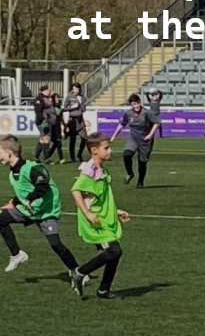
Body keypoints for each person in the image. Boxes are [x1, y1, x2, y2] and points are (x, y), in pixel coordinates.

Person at [0, 135, 79, 274]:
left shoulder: (32, 168)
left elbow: (42, 186)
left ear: (9, 152)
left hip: (46, 212)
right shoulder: (12, 173)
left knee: (55, 244)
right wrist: (13, 203)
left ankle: (76, 270)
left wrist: (29, 200)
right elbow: (24, 193)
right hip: (28, 210)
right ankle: (17, 255)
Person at [70, 133, 130, 299]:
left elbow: (101, 198)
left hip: (104, 218)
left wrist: (115, 211)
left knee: (114, 253)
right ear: (94, 150)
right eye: (106, 148)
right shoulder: (89, 172)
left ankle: (104, 289)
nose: (110, 151)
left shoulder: (101, 170)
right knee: (114, 251)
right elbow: (75, 191)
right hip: (95, 222)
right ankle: (80, 272)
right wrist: (87, 213)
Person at [111, 94, 160, 189]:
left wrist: (150, 135)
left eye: (137, 103)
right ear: (131, 105)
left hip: (145, 140)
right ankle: (130, 173)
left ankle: (140, 181)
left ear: (140, 103)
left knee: (142, 162)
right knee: (127, 154)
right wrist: (114, 135)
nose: (136, 106)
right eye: (134, 104)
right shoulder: (128, 113)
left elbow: (156, 123)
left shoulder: (146, 112)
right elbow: (122, 124)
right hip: (133, 137)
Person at [64, 83, 88, 163]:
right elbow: (65, 108)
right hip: (72, 120)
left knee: (84, 138)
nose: (75, 91)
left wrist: (81, 103)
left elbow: (84, 110)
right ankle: (72, 157)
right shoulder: (69, 97)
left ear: (80, 89)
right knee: (72, 139)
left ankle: (79, 154)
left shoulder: (82, 98)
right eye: (74, 89)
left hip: (80, 120)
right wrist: (72, 107)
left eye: (77, 89)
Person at [34, 85, 55, 162]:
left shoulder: (46, 98)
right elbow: (38, 111)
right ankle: (46, 158)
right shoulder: (40, 98)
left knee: (42, 139)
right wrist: (42, 120)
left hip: (47, 121)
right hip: (43, 122)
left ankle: (36, 157)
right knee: (46, 138)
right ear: (45, 90)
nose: (50, 91)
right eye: (49, 90)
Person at [46, 93, 66, 164]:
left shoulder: (59, 106)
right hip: (53, 127)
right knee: (58, 143)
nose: (58, 99)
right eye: (56, 98)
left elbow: (61, 117)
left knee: (56, 143)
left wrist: (64, 125)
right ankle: (61, 158)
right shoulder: (52, 107)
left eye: (58, 98)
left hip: (58, 127)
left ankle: (47, 156)